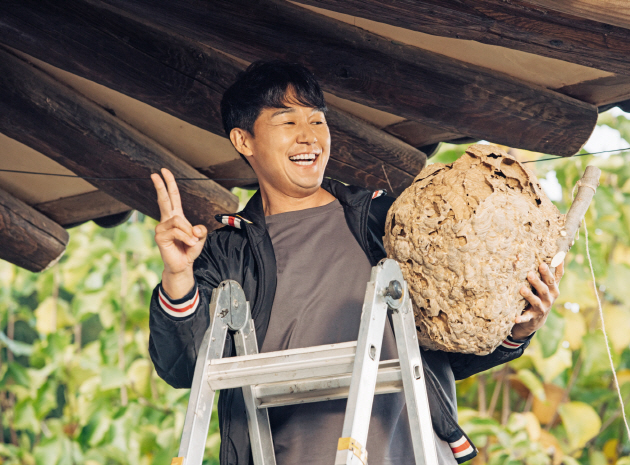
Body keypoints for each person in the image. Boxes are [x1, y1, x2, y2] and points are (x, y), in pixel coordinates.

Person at [149, 61, 563, 465]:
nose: (308, 137)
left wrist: (516, 331)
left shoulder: (388, 222)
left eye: (317, 121)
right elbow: (185, 367)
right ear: (244, 141)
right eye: (287, 122)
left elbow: (447, 348)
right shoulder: (227, 252)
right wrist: (178, 274)